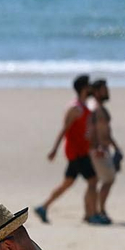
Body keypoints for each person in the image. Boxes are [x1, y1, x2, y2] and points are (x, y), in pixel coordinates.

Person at [34, 75, 99, 225]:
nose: (91, 88)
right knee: (93, 180)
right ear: (83, 88)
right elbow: (64, 130)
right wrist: (54, 150)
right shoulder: (75, 108)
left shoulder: (84, 106)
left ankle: (43, 207)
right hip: (76, 152)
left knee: (68, 182)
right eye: (88, 85)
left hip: (82, 150)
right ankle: (90, 215)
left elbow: (85, 130)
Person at [87, 78, 121, 225]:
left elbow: (106, 132)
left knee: (95, 181)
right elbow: (92, 130)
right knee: (107, 180)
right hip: (98, 150)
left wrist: (116, 147)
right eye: (104, 89)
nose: (107, 92)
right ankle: (99, 211)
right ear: (96, 91)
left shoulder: (97, 107)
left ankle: (92, 212)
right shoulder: (95, 108)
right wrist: (97, 147)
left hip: (101, 149)